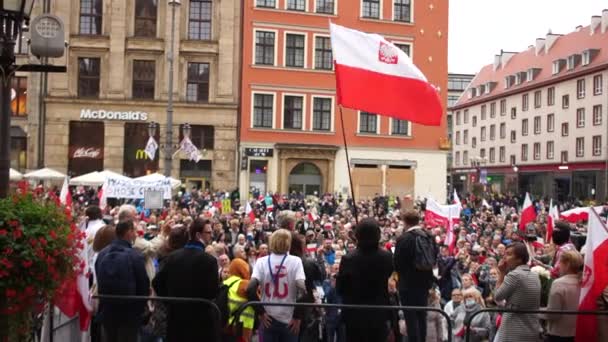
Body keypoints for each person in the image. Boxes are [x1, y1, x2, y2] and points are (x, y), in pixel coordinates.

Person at [152, 218, 220, 342]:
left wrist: (171, 301)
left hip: (176, 319)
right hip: (201, 321)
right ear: (198, 235)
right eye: (208, 233)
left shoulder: (172, 257)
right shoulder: (209, 261)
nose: (211, 236)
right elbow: (213, 292)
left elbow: (157, 283)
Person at [337, 218, 394, 342]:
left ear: (358, 235)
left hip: (354, 314)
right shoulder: (387, 257)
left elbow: (341, 288)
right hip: (378, 313)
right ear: (378, 235)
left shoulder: (348, 258)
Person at [247, 229, 306, 342]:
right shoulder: (296, 261)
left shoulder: (261, 261)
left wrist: (261, 312)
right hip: (289, 319)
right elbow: (303, 292)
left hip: (268, 318)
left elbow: (250, 289)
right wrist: (297, 317)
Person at [95, 220, 150, 342]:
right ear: (129, 232)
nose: (136, 234)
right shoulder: (135, 256)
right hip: (129, 315)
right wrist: (139, 310)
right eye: (134, 231)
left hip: (107, 311)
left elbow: (99, 279)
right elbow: (143, 286)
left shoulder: (102, 254)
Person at [394, 210, 437, 342]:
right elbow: (434, 258)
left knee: (410, 318)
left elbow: (397, 263)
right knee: (421, 316)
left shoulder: (404, 238)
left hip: (407, 284)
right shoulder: (429, 236)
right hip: (424, 284)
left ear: (405, 222)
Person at [494, 242, 541, 342]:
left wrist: (501, 273)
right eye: (505, 254)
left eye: (509, 254)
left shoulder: (515, 275)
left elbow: (497, 296)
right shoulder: (534, 275)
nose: (505, 257)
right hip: (531, 327)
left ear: (519, 258)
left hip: (514, 328)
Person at [542, 250, 583, 342]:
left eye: (560, 262)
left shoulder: (559, 283)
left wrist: (537, 312)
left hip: (558, 334)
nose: (558, 266)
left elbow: (553, 314)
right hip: (577, 333)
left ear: (567, 264)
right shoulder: (584, 282)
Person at [222, 258, 255, 342]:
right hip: (242, 325)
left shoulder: (226, 282)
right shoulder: (244, 283)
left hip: (226, 322)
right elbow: (257, 296)